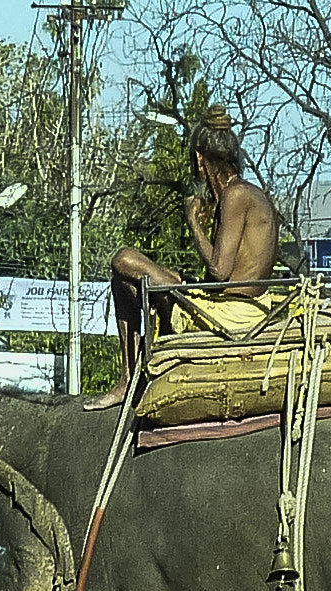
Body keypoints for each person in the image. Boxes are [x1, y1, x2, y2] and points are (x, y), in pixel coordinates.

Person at [85, 105, 279, 410]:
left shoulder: (236, 195)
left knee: (123, 260)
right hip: (232, 306)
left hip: (233, 316)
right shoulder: (244, 193)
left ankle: (129, 380)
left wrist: (192, 221)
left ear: (201, 160)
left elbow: (218, 270)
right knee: (147, 277)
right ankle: (132, 378)